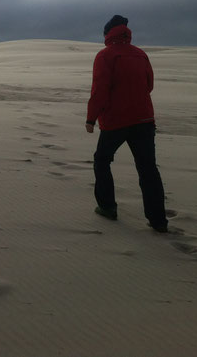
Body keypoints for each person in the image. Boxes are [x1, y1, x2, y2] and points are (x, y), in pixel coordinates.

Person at [85, 15, 168, 233]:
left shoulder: (105, 56)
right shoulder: (140, 54)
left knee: (102, 160)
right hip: (144, 120)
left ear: (107, 34)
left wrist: (91, 118)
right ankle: (158, 221)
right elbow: (149, 85)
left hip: (116, 121)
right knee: (148, 169)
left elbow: (100, 90)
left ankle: (107, 207)